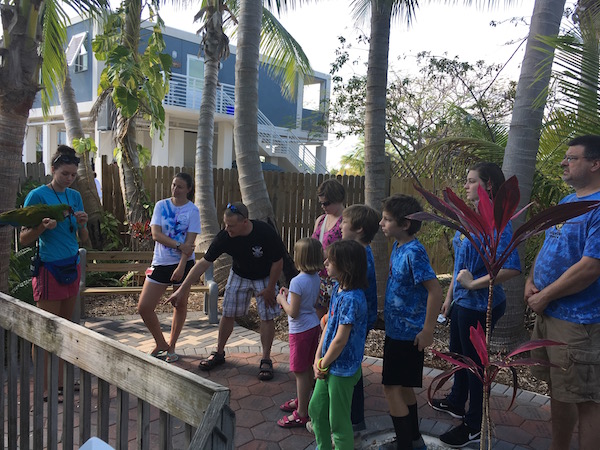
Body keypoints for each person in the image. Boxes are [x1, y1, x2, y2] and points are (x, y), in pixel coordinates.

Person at [430, 162, 521, 448]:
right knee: (459, 356)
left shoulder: (498, 222)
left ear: (489, 185)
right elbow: (460, 261)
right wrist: (450, 296)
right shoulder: (469, 217)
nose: (466, 186)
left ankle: (473, 426)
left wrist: (473, 284)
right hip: (461, 302)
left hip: (482, 305)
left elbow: (512, 268)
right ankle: (457, 401)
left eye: (471, 181)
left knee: (475, 368)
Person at [526, 135, 600, 450]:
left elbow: (590, 267)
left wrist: (545, 296)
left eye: (572, 158)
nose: (563, 162)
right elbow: (550, 246)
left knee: (587, 400)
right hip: (550, 314)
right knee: (559, 390)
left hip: (577, 322)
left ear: (595, 163)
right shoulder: (568, 203)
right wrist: (532, 279)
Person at [167, 202, 285, 380]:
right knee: (228, 313)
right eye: (225, 224)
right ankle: (219, 352)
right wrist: (181, 290)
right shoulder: (225, 236)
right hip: (239, 274)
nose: (226, 228)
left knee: (267, 315)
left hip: (265, 276)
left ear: (245, 222)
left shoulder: (264, 232)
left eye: (231, 225)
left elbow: (278, 261)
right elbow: (203, 264)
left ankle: (266, 359)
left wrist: (270, 289)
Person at [20, 145, 89, 397]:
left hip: (71, 265)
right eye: (64, 174)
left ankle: (60, 382)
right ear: (53, 170)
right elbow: (24, 238)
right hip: (48, 268)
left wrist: (83, 224)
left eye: (73, 174)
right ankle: (44, 385)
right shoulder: (37, 196)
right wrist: (41, 227)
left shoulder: (75, 197)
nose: (69, 179)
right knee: (45, 330)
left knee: (65, 327)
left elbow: (82, 238)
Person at [379, 194, 442, 450]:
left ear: (404, 224)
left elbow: (435, 290)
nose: (381, 223)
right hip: (397, 331)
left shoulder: (414, 252)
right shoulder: (398, 246)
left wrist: (428, 330)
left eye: (386, 219)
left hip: (408, 334)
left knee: (390, 389)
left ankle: (404, 445)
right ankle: (414, 439)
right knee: (403, 387)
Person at [308, 239, 368, 450]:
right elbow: (328, 327)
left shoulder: (352, 298)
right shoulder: (337, 289)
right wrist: (318, 358)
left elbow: (341, 338)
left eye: (330, 260)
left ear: (346, 266)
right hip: (329, 363)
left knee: (338, 421)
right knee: (316, 409)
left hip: (343, 369)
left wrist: (323, 363)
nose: (325, 263)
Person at [137, 173, 201, 363]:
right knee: (144, 306)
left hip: (183, 263)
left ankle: (172, 345)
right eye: (173, 185)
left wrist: (181, 266)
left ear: (189, 189)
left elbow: (190, 242)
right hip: (161, 262)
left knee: (179, 304)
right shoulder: (161, 205)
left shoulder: (193, 211)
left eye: (180, 186)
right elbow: (156, 234)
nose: (175, 189)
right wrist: (179, 246)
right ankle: (161, 343)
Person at [340, 204, 380, 432]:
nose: (340, 226)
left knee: (349, 365)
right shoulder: (361, 251)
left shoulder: (359, 255)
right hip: (357, 318)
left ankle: (354, 420)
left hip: (355, 321)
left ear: (359, 229)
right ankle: (352, 417)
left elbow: (350, 291)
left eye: (344, 222)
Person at [276, 238, 323, 428]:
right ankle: (302, 400)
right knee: (306, 369)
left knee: (300, 372)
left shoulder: (297, 281)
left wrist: (281, 299)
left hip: (300, 331)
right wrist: (290, 294)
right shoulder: (315, 277)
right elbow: (306, 301)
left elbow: (293, 312)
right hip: (313, 326)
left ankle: (302, 412)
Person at [312, 179, 345, 318]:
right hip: (318, 276)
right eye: (321, 203)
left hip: (336, 277)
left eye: (326, 203)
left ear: (338, 199)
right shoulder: (321, 220)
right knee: (317, 318)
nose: (323, 206)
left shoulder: (345, 222)